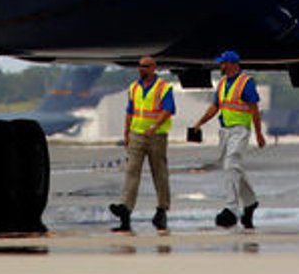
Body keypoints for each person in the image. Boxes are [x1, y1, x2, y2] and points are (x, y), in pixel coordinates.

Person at [190, 50, 264, 228]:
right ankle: (250, 201)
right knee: (233, 167)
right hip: (225, 132)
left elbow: (254, 109)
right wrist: (199, 123)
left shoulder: (246, 83)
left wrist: (259, 133)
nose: (221, 66)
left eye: (223, 63)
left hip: (240, 130)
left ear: (232, 64)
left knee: (231, 164)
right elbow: (216, 106)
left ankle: (231, 209)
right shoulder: (222, 83)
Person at [109, 56, 176, 232]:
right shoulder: (134, 87)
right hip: (136, 135)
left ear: (154, 68)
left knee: (159, 173)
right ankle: (125, 210)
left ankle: (162, 209)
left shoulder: (164, 87)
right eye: (140, 66)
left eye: (145, 66)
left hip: (157, 136)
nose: (141, 69)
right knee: (131, 171)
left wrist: (155, 126)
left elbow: (168, 109)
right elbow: (130, 111)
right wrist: (126, 132)